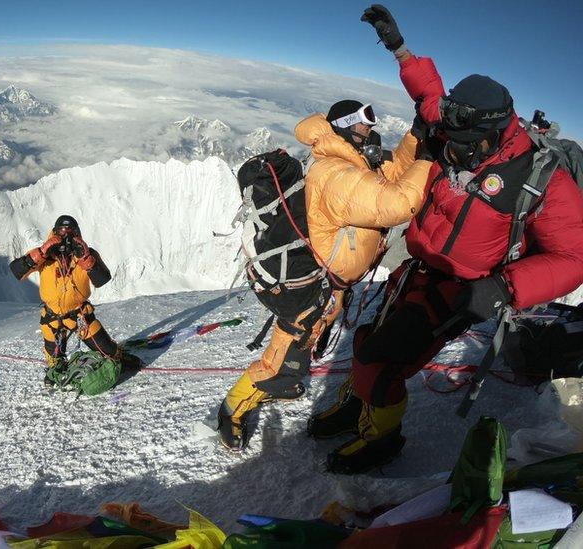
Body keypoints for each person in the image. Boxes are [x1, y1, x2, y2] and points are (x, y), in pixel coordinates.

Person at [307, 4, 583, 474]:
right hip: (417, 266)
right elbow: (429, 96)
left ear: (494, 134)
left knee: (385, 358)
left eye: (461, 145)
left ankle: (382, 438)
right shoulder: (460, 124)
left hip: (462, 288)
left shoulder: (542, 178)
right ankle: (362, 406)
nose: (449, 150)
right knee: (371, 338)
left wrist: (506, 289)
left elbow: (574, 256)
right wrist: (399, 48)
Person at [216, 96, 434, 451]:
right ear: (346, 125)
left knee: (304, 349)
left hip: (332, 289)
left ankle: (288, 385)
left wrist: (416, 137)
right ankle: (231, 410)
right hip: (313, 292)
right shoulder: (335, 173)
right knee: (278, 363)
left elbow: (393, 173)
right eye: (364, 119)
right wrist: (427, 158)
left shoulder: (356, 161)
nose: (372, 124)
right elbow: (398, 203)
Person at [9, 215, 137, 382]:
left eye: (70, 234)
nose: (65, 239)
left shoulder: (86, 254)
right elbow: (16, 271)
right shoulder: (44, 255)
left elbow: (102, 280)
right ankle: (56, 367)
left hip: (80, 314)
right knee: (55, 361)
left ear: (77, 235)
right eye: (61, 234)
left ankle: (116, 356)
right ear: (54, 234)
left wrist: (86, 259)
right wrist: (40, 253)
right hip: (52, 317)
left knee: (107, 350)